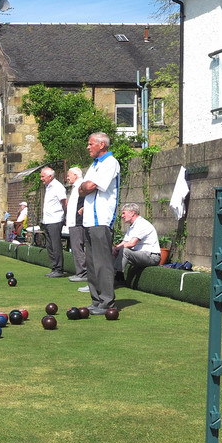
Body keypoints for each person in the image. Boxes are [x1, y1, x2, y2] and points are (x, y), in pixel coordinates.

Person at [79, 131, 121, 314]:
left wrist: (84, 187)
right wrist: (84, 187)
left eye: (91, 144)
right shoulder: (94, 165)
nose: (88, 147)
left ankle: (107, 302)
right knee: (91, 262)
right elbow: (82, 188)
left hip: (101, 220)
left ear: (101, 145)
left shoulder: (110, 163)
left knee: (102, 262)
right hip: (89, 220)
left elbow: (89, 186)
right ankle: (96, 300)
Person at [114, 203, 161, 284]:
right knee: (116, 250)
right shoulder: (132, 226)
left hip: (152, 257)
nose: (122, 216)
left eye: (124, 213)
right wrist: (114, 249)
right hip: (141, 255)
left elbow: (132, 243)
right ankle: (107, 276)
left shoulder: (142, 224)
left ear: (132, 213)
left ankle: (118, 278)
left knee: (124, 251)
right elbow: (124, 242)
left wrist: (117, 248)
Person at [40, 166, 67, 277]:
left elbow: (64, 202)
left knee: (56, 245)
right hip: (47, 220)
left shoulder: (57, 186)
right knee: (49, 245)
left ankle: (59, 269)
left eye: (43, 176)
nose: (41, 179)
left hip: (55, 220)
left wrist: (65, 216)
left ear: (50, 176)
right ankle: (54, 267)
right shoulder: (48, 187)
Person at [65, 167, 88, 283]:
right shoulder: (75, 187)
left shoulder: (81, 186)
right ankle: (81, 272)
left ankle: (83, 273)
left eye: (69, 175)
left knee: (77, 247)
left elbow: (84, 203)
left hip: (78, 222)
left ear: (75, 175)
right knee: (75, 247)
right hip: (73, 222)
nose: (67, 177)